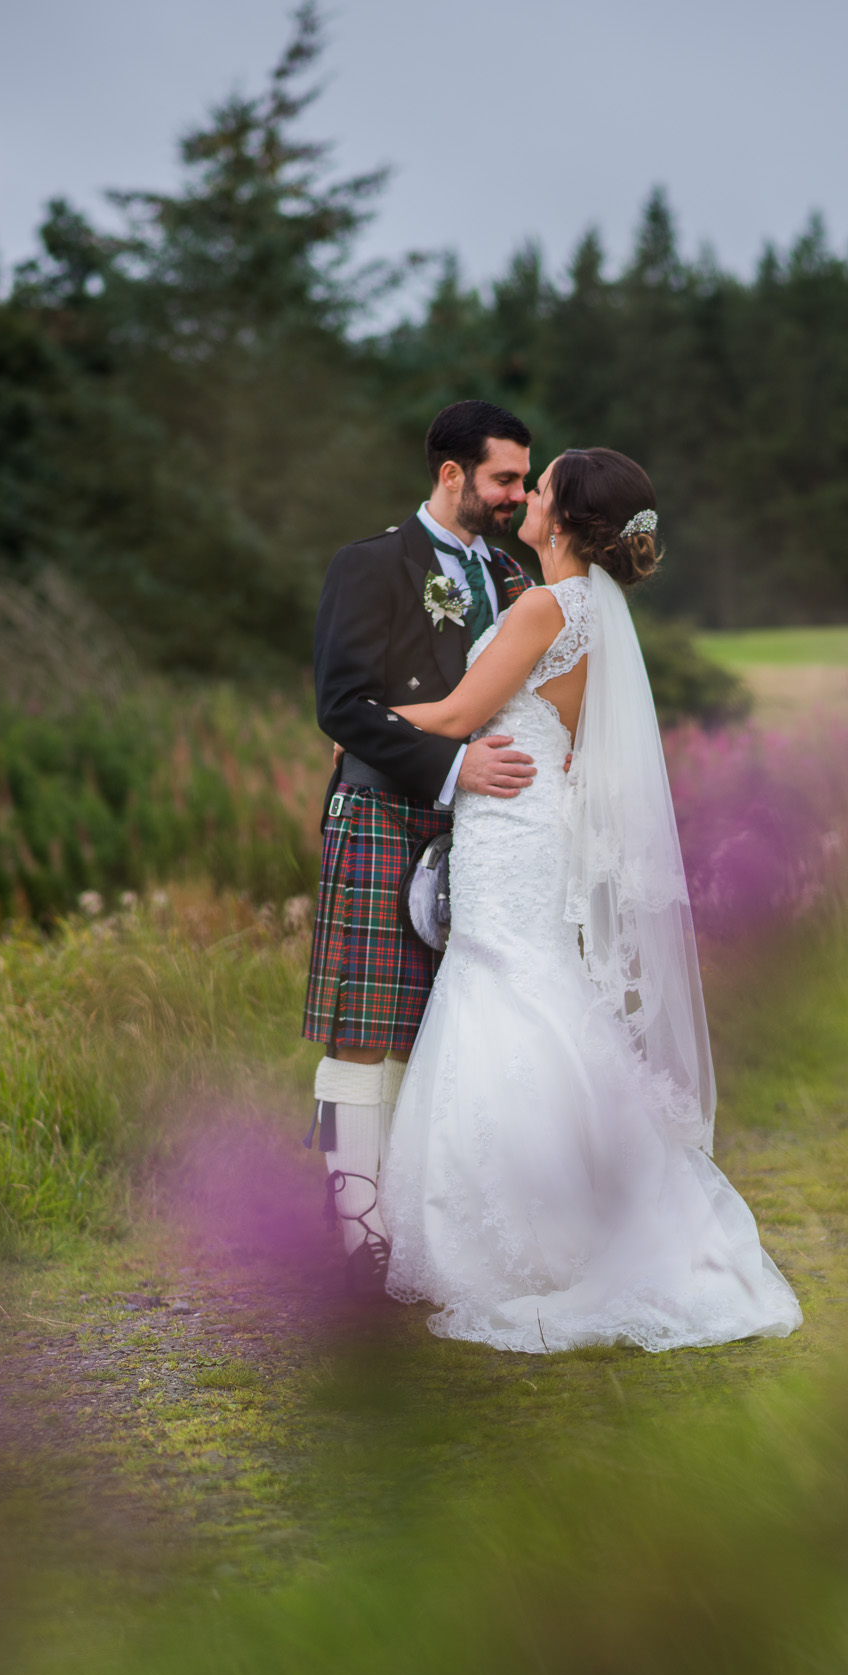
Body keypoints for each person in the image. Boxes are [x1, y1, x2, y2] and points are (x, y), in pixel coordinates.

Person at [381, 447, 802, 1352]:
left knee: (505, 991)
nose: (525, 499)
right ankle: (580, 1209)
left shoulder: (545, 606)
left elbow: (456, 716)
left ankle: (534, 1241)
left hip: (512, 830)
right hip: (529, 821)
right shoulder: (594, 614)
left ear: (565, 519)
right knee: (533, 990)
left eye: (538, 489)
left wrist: (358, 722)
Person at [302, 401, 537, 1294]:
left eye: (522, 479)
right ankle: (352, 1221)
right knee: (364, 1024)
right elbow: (342, 705)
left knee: (442, 1029)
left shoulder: (513, 577)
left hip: (483, 831)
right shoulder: (369, 565)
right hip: (384, 810)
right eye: (503, 478)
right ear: (452, 475)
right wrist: (451, 766)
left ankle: (415, 1211)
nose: (516, 494)